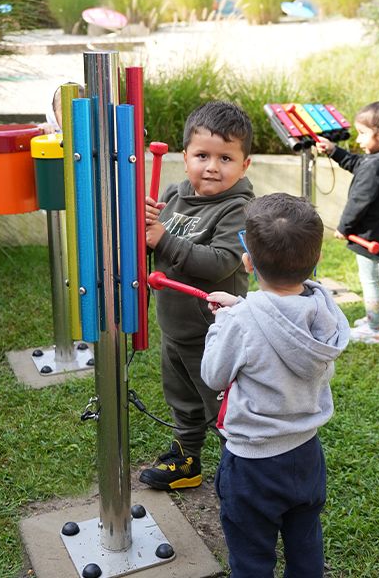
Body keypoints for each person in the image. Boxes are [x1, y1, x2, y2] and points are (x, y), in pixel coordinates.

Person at [201, 192, 350, 578]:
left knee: (251, 558)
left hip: (253, 464)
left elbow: (214, 375)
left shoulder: (239, 323)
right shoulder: (324, 312)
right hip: (306, 454)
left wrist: (224, 322)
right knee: (305, 548)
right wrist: (242, 309)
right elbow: (282, 318)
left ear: (247, 262)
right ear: (315, 260)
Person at [139, 101, 255, 491]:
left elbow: (221, 263)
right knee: (182, 400)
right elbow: (152, 248)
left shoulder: (238, 209)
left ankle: (241, 471)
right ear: (185, 156)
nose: (212, 167)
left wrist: (163, 238)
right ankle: (187, 459)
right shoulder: (174, 195)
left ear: (245, 165)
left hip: (214, 334)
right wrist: (144, 226)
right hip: (175, 327)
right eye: (202, 155)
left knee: (223, 409)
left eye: (226, 158)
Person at [316, 94, 379, 344]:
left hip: (370, 235)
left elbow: (359, 201)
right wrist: (334, 151)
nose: (358, 140)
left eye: (361, 133)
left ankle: (373, 328)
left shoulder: (374, 166)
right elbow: (359, 163)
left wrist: (343, 227)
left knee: (370, 280)